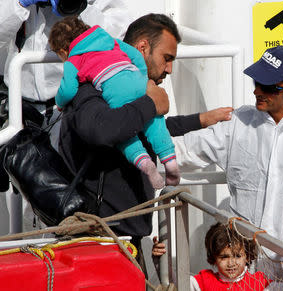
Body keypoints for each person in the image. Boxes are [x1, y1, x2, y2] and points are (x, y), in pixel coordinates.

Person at [58, 13, 232, 264]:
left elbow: (141, 125)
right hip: (100, 242)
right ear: (142, 48)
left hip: (127, 239)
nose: (169, 69)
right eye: (167, 58)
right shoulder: (91, 86)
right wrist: (150, 103)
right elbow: (101, 130)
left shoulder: (127, 91)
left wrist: (202, 119)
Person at [0, 0, 133, 233]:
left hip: (71, 102)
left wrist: (79, 7)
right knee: (24, 191)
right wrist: (19, 4)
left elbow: (116, 33)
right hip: (17, 103)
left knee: (66, 191)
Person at [174, 45, 283, 249]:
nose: (257, 91)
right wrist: (133, 154)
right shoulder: (239, 122)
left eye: (268, 87)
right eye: (257, 82)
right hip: (245, 259)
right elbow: (184, 151)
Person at [49, 16, 178, 188]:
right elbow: (135, 56)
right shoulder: (110, 40)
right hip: (134, 76)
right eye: (167, 59)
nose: (169, 69)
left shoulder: (74, 59)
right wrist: (141, 76)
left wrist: (59, 103)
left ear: (63, 52)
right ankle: (170, 161)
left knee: (125, 136)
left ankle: (144, 162)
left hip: (114, 89)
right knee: (156, 121)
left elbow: (68, 89)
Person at [190, 222, 271, 291]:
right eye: (224, 257)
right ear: (214, 258)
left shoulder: (259, 283)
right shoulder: (204, 281)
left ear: (247, 257)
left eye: (237, 256)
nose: (231, 263)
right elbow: (181, 280)